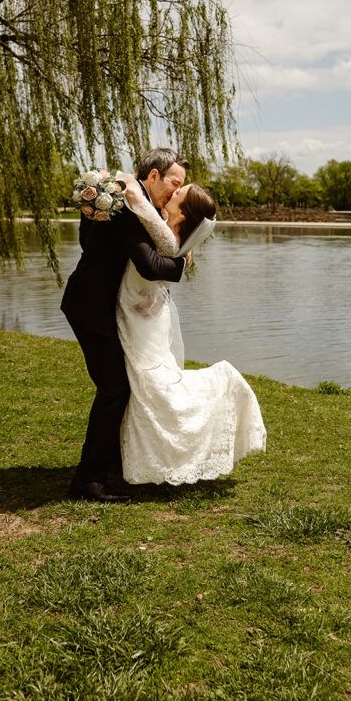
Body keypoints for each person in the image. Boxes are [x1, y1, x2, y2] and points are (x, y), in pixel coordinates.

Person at [61, 148, 191, 502]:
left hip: (95, 301)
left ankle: (112, 462)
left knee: (120, 386)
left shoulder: (126, 202)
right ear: (152, 177)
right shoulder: (128, 206)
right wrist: (181, 267)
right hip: (92, 305)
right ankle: (88, 480)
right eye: (174, 183)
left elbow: (87, 241)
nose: (176, 191)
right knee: (115, 388)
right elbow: (149, 266)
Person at [116, 179, 266, 486]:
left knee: (152, 384)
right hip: (140, 314)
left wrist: (126, 186)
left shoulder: (169, 239)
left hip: (138, 318)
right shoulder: (171, 235)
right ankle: (143, 455)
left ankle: (220, 385)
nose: (172, 193)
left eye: (178, 194)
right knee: (147, 384)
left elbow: (136, 200)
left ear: (183, 213)